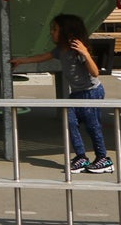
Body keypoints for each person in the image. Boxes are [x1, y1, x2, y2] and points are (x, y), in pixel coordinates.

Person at [12, 14, 113, 174]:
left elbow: (95, 72)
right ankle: (81, 157)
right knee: (70, 122)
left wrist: (85, 53)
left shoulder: (76, 49)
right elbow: (43, 57)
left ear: (66, 32)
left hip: (91, 92)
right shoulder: (61, 50)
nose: (52, 32)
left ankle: (104, 159)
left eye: (55, 29)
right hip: (77, 94)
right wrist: (22, 61)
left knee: (92, 126)